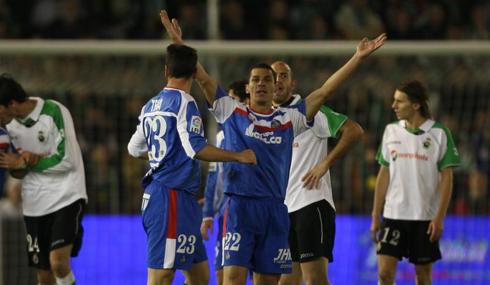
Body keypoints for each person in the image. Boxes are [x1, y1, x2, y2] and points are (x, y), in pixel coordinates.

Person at [161, 9, 386, 285]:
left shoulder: (289, 118)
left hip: (276, 210)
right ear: (248, 88)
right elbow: (202, 77)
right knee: (232, 278)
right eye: (256, 80)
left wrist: (357, 57)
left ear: (274, 86)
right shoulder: (231, 111)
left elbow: (325, 91)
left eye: (267, 80)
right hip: (239, 207)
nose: (262, 84)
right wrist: (179, 46)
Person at [127, 44, 256, 285]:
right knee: (161, 276)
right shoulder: (185, 103)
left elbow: (134, 148)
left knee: (199, 276)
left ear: (166, 71)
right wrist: (238, 156)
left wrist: (161, 155)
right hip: (170, 196)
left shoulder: (150, 106)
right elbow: (195, 148)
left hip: (179, 199)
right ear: (194, 72)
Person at [271, 61, 364, 285]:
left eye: (283, 76)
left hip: (311, 204)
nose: (278, 81)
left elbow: (354, 131)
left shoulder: (311, 111)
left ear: (292, 84)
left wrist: (325, 163)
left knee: (315, 280)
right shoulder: (267, 118)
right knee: (286, 282)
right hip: (285, 210)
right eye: (273, 76)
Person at [370, 80, 460, 285]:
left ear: (416, 105)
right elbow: (384, 173)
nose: (393, 106)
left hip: (424, 217)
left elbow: (447, 178)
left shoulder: (439, 133)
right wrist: (376, 214)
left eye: (399, 102)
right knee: (384, 273)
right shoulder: (390, 131)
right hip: (393, 215)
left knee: (423, 276)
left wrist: (439, 218)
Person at [0, 73, 87, 285]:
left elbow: (68, 160)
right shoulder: (7, 129)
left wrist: (29, 162)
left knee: (58, 263)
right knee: (44, 276)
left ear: (11, 103)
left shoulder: (53, 111)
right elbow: (17, 171)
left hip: (66, 196)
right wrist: (17, 166)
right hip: (34, 204)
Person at [201, 80, 249, 285]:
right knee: (223, 275)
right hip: (227, 214)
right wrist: (207, 215)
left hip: (255, 209)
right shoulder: (221, 137)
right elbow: (213, 176)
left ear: (245, 102)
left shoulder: (258, 130)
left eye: (232, 101)